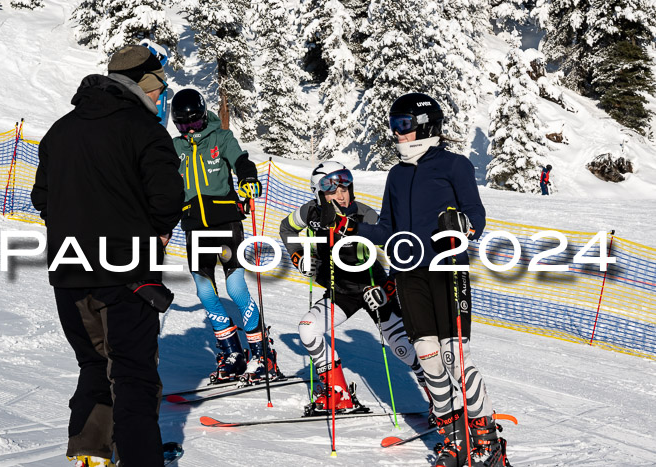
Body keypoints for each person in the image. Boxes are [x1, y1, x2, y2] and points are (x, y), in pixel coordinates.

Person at [321, 94, 509, 466]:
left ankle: (486, 440)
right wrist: (353, 227)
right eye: (394, 126)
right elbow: (388, 229)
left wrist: (463, 225)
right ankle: (454, 440)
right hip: (407, 275)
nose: (397, 133)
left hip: (447, 271)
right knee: (429, 359)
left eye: (403, 125)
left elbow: (476, 215)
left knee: (456, 358)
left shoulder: (454, 166)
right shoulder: (397, 173)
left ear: (425, 125)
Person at [31, 45, 184, 467]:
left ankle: (89, 452)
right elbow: (168, 200)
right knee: (133, 376)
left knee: (94, 365)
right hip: (127, 277)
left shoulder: (60, 130)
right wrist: (151, 233)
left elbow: (41, 196)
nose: (160, 100)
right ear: (142, 86)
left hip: (69, 275)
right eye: (158, 92)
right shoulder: (145, 130)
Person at [280, 161, 433, 418]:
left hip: (374, 290)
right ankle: (337, 394)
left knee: (402, 349)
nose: (341, 195)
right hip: (341, 292)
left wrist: (389, 285)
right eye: (332, 190)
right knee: (308, 328)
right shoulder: (310, 213)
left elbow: (401, 248)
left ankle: (439, 399)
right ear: (318, 194)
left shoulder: (364, 215)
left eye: (345, 188)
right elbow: (286, 228)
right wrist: (299, 257)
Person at [170, 88, 278, 383]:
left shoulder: (221, 138)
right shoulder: (174, 148)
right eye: (183, 125)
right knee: (205, 291)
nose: (190, 130)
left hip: (225, 223)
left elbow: (242, 161)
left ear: (205, 117)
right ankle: (232, 352)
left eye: (194, 123)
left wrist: (248, 179)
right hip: (194, 226)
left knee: (235, 288)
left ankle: (261, 352)